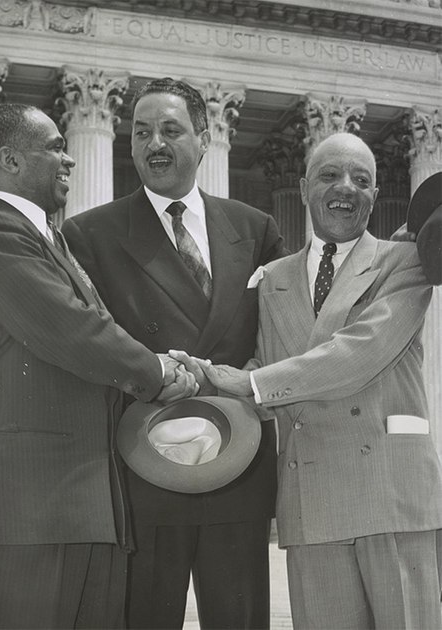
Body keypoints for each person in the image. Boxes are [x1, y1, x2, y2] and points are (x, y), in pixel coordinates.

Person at [0, 103, 196, 630]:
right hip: (23, 512)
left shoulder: (48, 240)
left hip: (79, 506)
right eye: (54, 146)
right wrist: (157, 371)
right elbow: (73, 331)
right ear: (11, 160)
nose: (70, 158)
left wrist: (158, 362)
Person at [176, 132, 442, 629]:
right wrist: (208, 380)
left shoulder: (405, 262)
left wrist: (251, 384)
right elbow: (265, 372)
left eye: (362, 180)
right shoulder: (271, 277)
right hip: (312, 498)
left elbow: (359, 354)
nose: (346, 188)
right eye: (330, 175)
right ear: (302, 188)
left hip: (390, 492)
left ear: (375, 196)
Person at [62, 77, 287, 629]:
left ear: (204, 138)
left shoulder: (255, 229)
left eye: (169, 130)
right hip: (146, 470)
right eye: (141, 133)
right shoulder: (89, 234)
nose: (154, 144)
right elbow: (88, 345)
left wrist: (257, 374)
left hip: (238, 463)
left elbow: (283, 334)